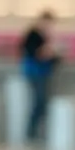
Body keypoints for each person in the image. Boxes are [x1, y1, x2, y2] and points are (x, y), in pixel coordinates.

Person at [21, 10, 59, 141]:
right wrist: (45, 54)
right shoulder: (33, 36)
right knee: (39, 101)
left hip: (42, 73)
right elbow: (32, 53)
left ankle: (36, 132)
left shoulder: (45, 37)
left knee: (41, 102)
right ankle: (31, 132)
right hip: (35, 73)